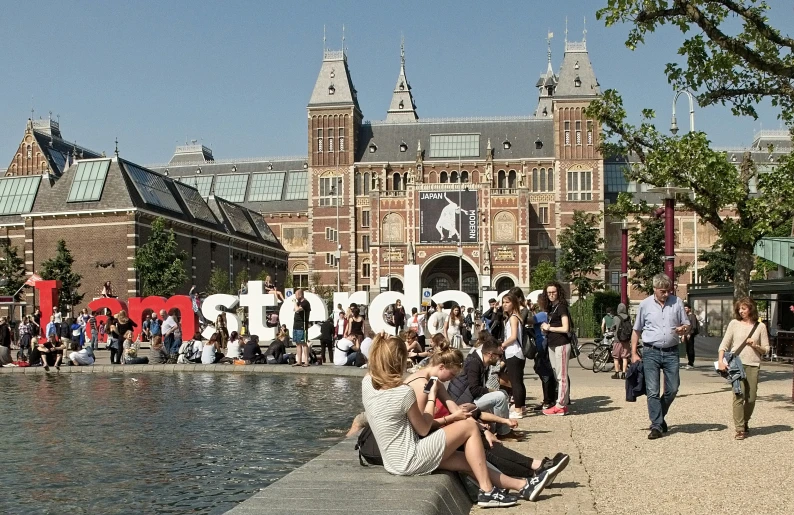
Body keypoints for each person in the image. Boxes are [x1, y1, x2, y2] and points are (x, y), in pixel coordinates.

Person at [362, 334, 548, 507]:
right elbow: (424, 429)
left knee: (468, 461)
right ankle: (487, 491)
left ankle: (523, 486)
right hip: (409, 458)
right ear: (401, 361)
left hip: (392, 461)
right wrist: (432, 397)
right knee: (468, 427)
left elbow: (375, 376)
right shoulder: (403, 393)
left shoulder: (367, 384)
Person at [631, 273, 690, 440]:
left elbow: (687, 324)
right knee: (652, 391)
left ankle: (659, 416)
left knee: (673, 388)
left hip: (671, 351)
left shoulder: (677, 302)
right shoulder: (644, 305)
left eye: (668, 291)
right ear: (655, 289)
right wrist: (634, 353)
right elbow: (637, 330)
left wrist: (684, 329)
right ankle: (656, 425)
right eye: (663, 291)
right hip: (651, 352)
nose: (666, 294)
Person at [717, 297, 771, 440]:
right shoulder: (734, 324)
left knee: (751, 398)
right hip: (736, 364)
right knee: (738, 395)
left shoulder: (760, 327)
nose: (741, 311)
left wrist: (755, 345)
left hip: (753, 365)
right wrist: (720, 361)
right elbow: (724, 345)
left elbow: (766, 349)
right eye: (739, 309)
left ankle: (745, 420)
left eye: (744, 308)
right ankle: (740, 428)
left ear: (751, 309)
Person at [447, 333, 515, 437]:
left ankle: (501, 428)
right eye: (499, 355)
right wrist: (491, 391)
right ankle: (504, 433)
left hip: (468, 398)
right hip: (461, 402)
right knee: (500, 396)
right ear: (490, 354)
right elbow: (474, 390)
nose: (500, 359)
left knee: (502, 395)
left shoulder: (480, 361)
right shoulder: (474, 363)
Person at [541, 281, 572, 416]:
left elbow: (566, 328)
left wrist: (549, 328)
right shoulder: (552, 307)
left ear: (558, 292)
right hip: (552, 343)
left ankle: (561, 404)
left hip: (561, 343)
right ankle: (560, 403)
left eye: (553, 292)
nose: (551, 295)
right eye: (549, 293)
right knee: (557, 375)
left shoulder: (561, 307)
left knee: (562, 375)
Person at [499, 293, 527, 419]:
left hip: (513, 352)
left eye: (507, 302)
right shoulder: (514, 317)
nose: (504, 305)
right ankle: (522, 406)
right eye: (503, 302)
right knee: (518, 381)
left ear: (513, 303)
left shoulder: (513, 318)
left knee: (515, 382)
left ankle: (518, 409)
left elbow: (513, 336)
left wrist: (503, 345)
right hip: (515, 352)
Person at [531, 293, 557, 411]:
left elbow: (528, 320)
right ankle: (550, 398)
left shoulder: (542, 314)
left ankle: (547, 400)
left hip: (541, 344)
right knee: (548, 370)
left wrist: (527, 309)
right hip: (547, 344)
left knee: (543, 370)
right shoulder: (549, 314)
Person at [290, 288, 311, 367]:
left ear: (301, 295)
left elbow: (297, 310)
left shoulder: (305, 303)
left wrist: (295, 302)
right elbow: (294, 309)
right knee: (298, 343)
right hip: (296, 325)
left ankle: (306, 361)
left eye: (296, 295)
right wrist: (296, 303)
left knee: (304, 343)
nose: (295, 296)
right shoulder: (299, 302)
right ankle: (299, 361)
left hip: (302, 325)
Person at [611, 303, 632, 380]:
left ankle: (617, 373)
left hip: (618, 340)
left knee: (616, 357)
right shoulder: (628, 317)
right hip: (626, 340)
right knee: (625, 357)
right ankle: (624, 374)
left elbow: (612, 327)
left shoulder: (616, 318)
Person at [682, 304, 699, 369]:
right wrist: (684, 335)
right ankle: (689, 362)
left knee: (690, 349)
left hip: (690, 335)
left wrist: (690, 333)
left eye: (686, 308)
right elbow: (684, 325)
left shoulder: (692, 316)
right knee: (687, 349)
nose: (685, 310)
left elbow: (693, 326)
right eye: (684, 308)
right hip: (686, 334)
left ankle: (691, 363)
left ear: (689, 309)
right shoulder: (686, 316)